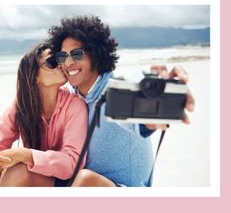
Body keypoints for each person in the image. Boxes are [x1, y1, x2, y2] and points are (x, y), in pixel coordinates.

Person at [47, 15, 195, 187]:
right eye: (63, 56)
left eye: (77, 54)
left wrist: (158, 99)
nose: (68, 62)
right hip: (82, 189)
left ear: (96, 54)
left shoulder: (115, 92)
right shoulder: (73, 97)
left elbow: (134, 107)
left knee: (84, 180)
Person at [0, 43, 88, 187]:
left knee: (19, 170)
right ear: (34, 76)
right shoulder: (20, 107)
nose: (62, 64)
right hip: (31, 177)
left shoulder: (75, 105)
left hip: (64, 180)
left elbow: (73, 162)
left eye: (60, 59)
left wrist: (25, 155)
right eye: (52, 62)